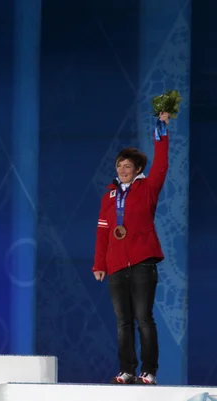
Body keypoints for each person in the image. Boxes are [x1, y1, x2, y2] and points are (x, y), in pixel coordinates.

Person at [92, 112, 171, 385]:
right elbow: (103, 231)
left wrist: (160, 132)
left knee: (143, 318)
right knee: (122, 321)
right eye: (119, 165)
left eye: (128, 166)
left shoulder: (148, 188)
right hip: (115, 264)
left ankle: (148, 371)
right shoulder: (109, 195)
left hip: (141, 261)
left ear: (138, 169)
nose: (123, 170)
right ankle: (126, 370)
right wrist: (99, 263)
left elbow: (161, 165)